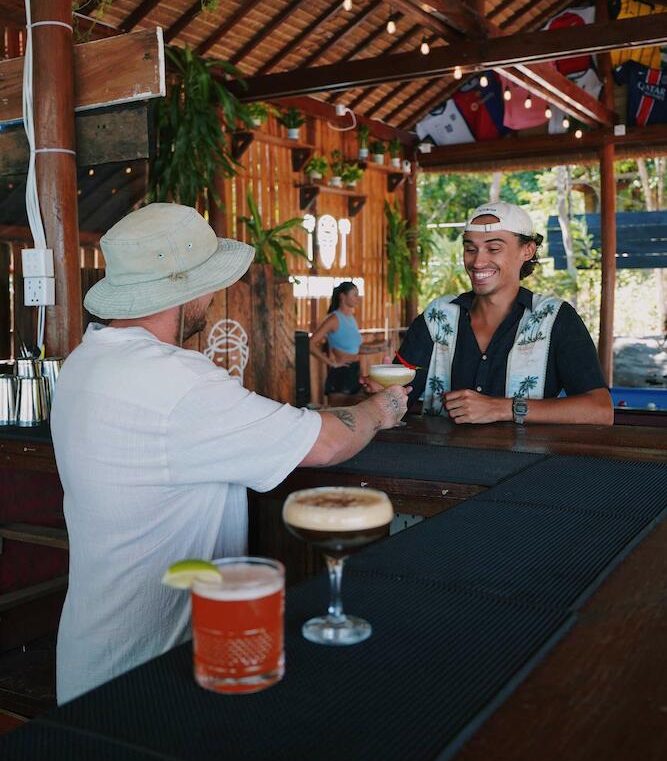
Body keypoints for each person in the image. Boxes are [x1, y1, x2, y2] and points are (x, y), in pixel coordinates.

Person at [50, 204, 409, 704]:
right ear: (187, 289)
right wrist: (381, 408)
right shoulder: (175, 381)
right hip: (149, 675)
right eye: (212, 281)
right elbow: (327, 443)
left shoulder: (84, 361)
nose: (216, 294)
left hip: (91, 656)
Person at [375, 201, 613, 426]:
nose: (478, 262)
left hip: (527, 467)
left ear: (527, 250)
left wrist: (502, 408)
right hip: (440, 465)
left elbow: (600, 410)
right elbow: (399, 399)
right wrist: (383, 394)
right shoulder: (438, 317)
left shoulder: (554, 319)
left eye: (494, 248)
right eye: (470, 249)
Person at [310, 281, 365, 406]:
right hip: (341, 374)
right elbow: (311, 344)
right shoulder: (333, 319)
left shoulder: (351, 318)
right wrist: (331, 363)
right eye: (355, 295)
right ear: (342, 296)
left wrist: (380, 347)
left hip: (354, 371)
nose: (358, 298)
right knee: (339, 417)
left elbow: (356, 348)